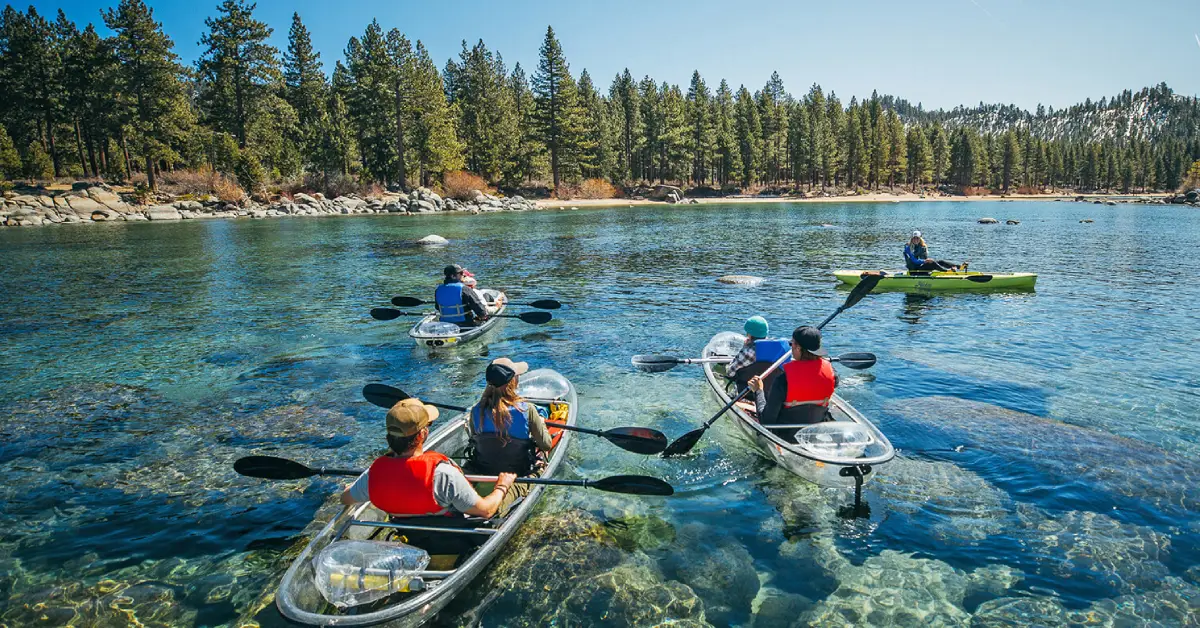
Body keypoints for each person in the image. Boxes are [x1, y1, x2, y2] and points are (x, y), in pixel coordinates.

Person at [340, 397, 517, 520]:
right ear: (423, 434)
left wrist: (353, 487)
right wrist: (503, 485)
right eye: (428, 425)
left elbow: (345, 498)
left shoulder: (373, 475)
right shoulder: (442, 474)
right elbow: (486, 510)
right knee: (510, 491)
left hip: (409, 534)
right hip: (450, 536)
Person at [747, 326, 838, 439]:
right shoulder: (833, 374)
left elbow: (766, 421)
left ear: (798, 348)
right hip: (815, 432)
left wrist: (758, 390)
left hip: (786, 436)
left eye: (792, 344)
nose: (791, 347)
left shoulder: (783, 380)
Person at [468, 358, 554, 475]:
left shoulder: (475, 411)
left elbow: (475, 439)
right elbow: (546, 445)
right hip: (519, 471)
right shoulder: (527, 409)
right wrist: (541, 422)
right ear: (513, 381)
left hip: (485, 469)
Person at [726, 316, 790, 393]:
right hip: (772, 395)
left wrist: (744, 347)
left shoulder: (748, 352)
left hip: (747, 395)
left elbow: (730, 373)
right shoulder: (782, 350)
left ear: (749, 334)